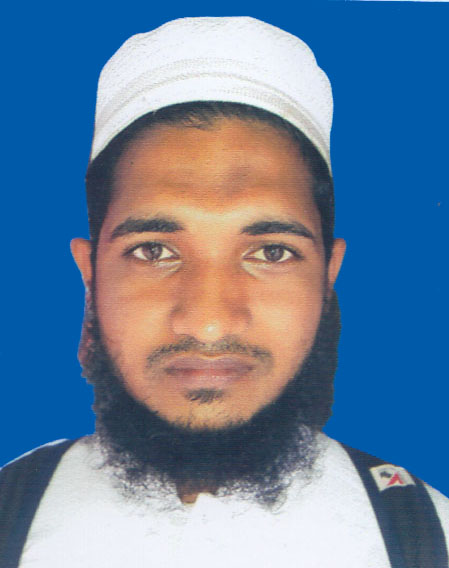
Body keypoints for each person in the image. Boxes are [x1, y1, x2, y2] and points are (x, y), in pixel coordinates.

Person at [0, 16, 448, 568]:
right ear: (90, 274)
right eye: (153, 250)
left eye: (272, 252)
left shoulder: (430, 536)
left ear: (327, 277)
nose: (209, 322)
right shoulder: (9, 512)